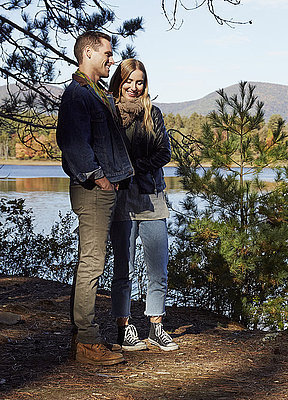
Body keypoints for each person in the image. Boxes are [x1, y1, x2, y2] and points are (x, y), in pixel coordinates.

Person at [56, 31, 133, 365]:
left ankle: (80, 337)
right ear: (87, 53)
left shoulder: (95, 93)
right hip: (93, 192)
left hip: (102, 189)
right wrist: (99, 178)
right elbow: (71, 141)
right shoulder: (77, 93)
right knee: (92, 263)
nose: (112, 59)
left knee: (89, 261)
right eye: (108, 53)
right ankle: (87, 342)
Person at [108, 59, 178, 352]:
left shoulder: (154, 114)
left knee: (157, 267)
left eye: (139, 82)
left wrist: (136, 168)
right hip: (121, 198)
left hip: (152, 198)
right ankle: (124, 328)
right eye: (128, 82)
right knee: (123, 267)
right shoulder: (108, 113)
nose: (134, 88)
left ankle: (156, 326)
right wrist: (124, 174)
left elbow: (165, 152)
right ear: (119, 82)